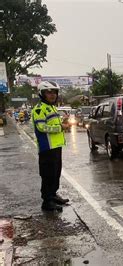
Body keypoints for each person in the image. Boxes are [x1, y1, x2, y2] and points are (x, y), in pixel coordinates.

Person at [32, 81, 70, 211]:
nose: (52, 95)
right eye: (49, 92)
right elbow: (42, 127)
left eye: (54, 92)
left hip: (56, 147)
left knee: (56, 172)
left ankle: (53, 195)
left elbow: (54, 123)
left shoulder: (52, 107)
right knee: (47, 174)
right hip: (46, 148)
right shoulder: (39, 109)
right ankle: (47, 201)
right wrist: (61, 127)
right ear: (42, 94)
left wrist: (63, 121)